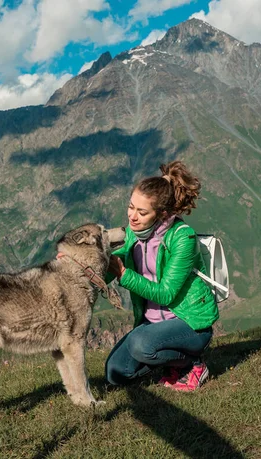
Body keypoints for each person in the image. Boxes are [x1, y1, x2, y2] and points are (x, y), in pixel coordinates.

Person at [105, 160, 219, 391]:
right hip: (153, 325)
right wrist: (78, 265)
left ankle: (193, 363)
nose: (132, 216)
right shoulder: (131, 235)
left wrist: (124, 274)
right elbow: (107, 267)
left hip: (189, 325)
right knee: (115, 373)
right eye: (131, 207)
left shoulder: (181, 238)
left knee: (140, 344)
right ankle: (167, 361)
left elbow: (166, 294)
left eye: (142, 212)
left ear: (162, 213)